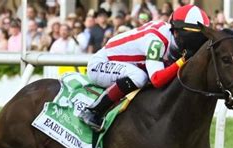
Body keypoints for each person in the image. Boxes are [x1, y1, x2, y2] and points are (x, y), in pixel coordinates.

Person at [79, 4, 210, 131]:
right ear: (176, 32)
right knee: (139, 77)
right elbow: (157, 79)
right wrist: (183, 60)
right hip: (100, 64)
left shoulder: (171, 34)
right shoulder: (157, 41)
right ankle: (93, 111)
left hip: (127, 65)